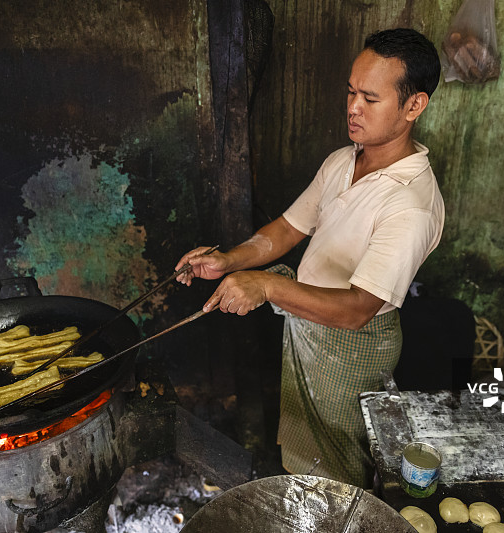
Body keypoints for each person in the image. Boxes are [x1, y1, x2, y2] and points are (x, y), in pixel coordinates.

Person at [175, 28, 444, 488]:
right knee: (307, 447)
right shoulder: (343, 161)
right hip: (309, 323)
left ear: (413, 105)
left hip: (352, 346)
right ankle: (302, 500)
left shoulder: (410, 205)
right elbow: (286, 229)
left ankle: (336, 514)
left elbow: (358, 309)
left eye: (370, 99)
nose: (353, 107)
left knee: (339, 462)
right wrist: (229, 261)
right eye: (351, 92)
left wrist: (267, 286)